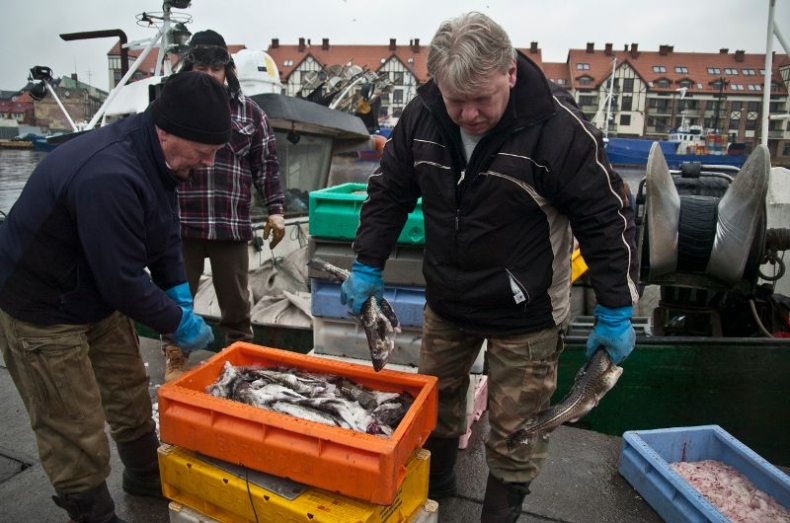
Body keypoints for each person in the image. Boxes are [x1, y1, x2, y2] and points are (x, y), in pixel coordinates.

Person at [340, 12, 639, 523]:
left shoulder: (559, 132)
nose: (469, 114)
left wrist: (616, 306)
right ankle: (438, 493)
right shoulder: (423, 118)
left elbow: (606, 219)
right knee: (433, 405)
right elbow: (389, 192)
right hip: (448, 298)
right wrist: (367, 262)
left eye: (482, 99)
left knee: (515, 430)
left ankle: (499, 514)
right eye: (456, 101)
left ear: (511, 73)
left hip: (527, 309)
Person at [0, 71, 230, 523]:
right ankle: (93, 513)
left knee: (128, 390)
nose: (209, 162)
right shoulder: (109, 174)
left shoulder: (159, 160)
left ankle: (144, 476)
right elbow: (122, 281)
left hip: (91, 291)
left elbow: (164, 235)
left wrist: (178, 292)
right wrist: (177, 322)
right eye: (204, 152)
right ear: (166, 134)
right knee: (73, 420)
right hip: (41, 306)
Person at [163, 29, 286, 381]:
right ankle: (174, 355)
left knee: (236, 302)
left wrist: (276, 210)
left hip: (229, 224)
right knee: (175, 295)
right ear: (188, 68)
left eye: (215, 69)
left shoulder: (251, 113)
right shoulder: (170, 107)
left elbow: (266, 165)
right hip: (180, 222)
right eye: (200, 68)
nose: (208, 76)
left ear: (227, 71)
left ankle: (240, 356)